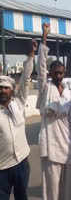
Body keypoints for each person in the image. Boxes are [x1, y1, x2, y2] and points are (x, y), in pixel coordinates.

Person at [36, 23, 71, 200]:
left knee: (66, 188)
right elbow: (41, 67)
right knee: (51, 189)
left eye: (60, 73)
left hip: (66, 145)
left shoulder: (67, 93)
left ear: (64, 73)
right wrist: (44, 37)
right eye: (55, 73)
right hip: (51, 145)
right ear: (50, 74)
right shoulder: (46, 89)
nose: (58, 76)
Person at [0, 39, 36, 200]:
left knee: (22, 197)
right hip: (3, 167)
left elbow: (26, 79)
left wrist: (30, 56)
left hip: (22, 162)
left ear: (11, 91)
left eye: (6, 88)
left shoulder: (19, 103)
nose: (2, 91)